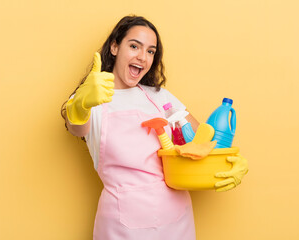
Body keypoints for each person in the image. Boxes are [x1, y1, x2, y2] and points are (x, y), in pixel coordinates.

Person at [61, 15, 248, 240]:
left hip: (177, 220)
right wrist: (81, 103)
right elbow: (76, 127)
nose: (142, 57)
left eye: (150, 51)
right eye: (134, 46)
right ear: (114, 47)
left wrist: (229, 161)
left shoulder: (160, 97)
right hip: (122, 226)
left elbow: (203, 143)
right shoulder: (92, 96)